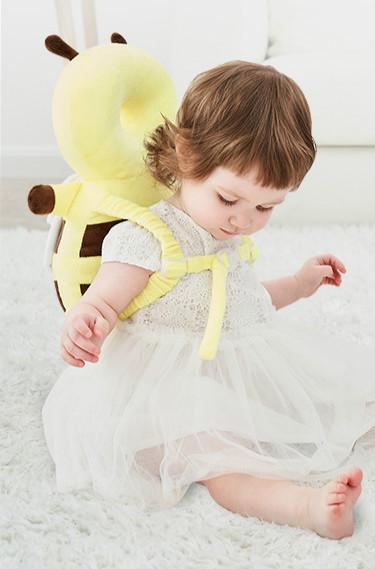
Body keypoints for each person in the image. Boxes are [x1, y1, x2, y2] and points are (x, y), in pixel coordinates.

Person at [42, 61, 375, 540]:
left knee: (325, 396)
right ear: (186, 155)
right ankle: (306, 508)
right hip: (159, 394)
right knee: (216, 453)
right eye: (229, 199)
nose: (243, 220)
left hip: (223, 367)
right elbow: (103, 299)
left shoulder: (223, 237)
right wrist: (87, 321)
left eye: (265, 208)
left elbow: (243, 304)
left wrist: (299, 285)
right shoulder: (150, 237)